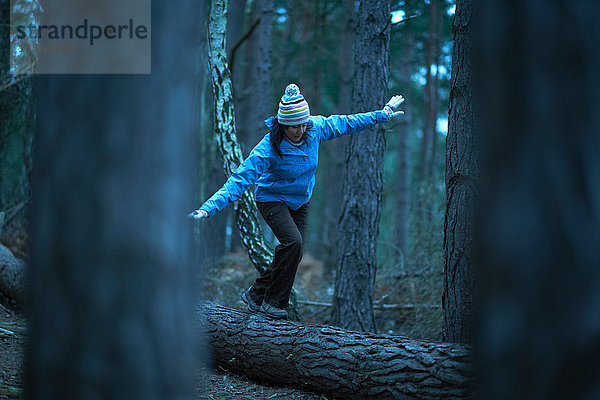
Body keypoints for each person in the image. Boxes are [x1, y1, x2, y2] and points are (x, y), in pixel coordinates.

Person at [189, 83, 404, 319]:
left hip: (301, 201)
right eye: (294, 126)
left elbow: (347, 122)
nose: (300, 130)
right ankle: (273, 305)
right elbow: (239, 180)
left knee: (295, 252)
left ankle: (256, 294)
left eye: (303, 123)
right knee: (293, 243)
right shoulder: (268, 147)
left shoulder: (316, 128)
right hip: (272, 199)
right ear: (283, 124)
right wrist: (207, 209)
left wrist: (382, 115)